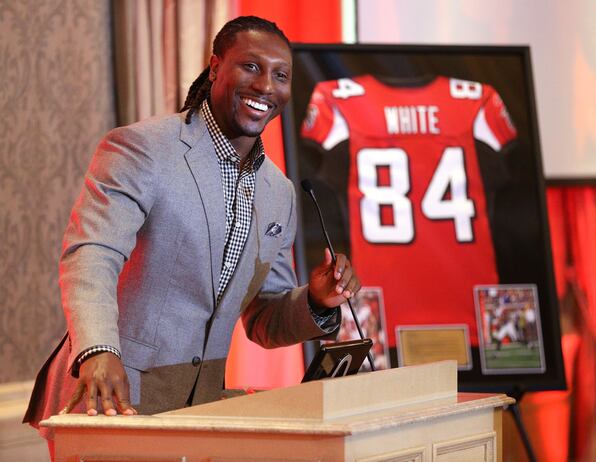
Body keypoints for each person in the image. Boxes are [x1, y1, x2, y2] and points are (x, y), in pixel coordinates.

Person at [24, 15, 360, 456]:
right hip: (109, 399)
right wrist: (99, 351)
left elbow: (263, 320)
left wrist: (315, 301)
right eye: (251, 67)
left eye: (280, 75)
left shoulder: (279, 193)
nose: (266, 86)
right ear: (216, 67)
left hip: (199, 413)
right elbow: (92, 254)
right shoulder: (141, 149)